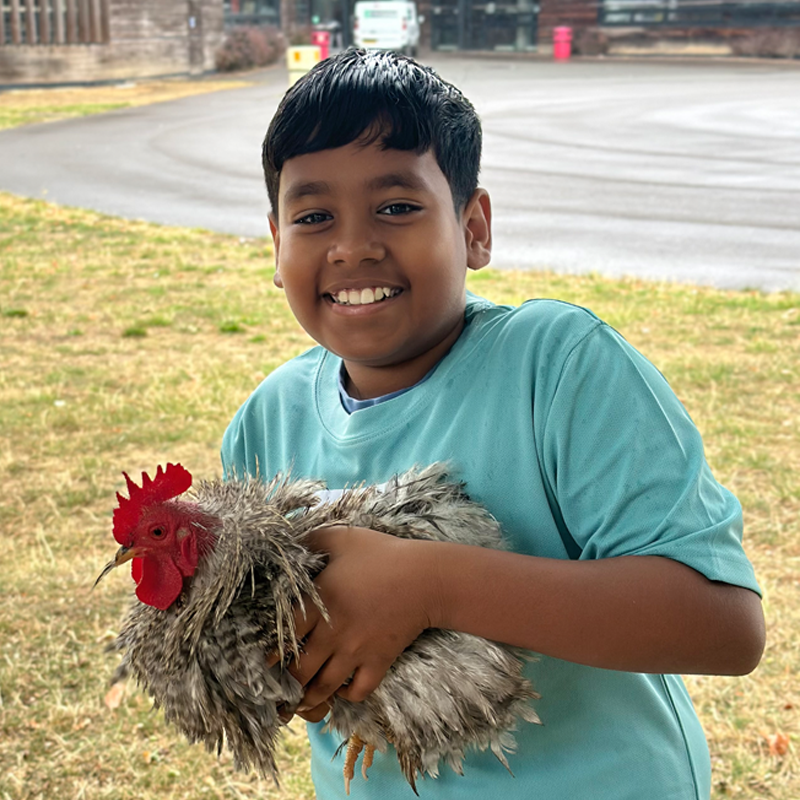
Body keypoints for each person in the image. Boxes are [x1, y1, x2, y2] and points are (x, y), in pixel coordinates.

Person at [221, 48, 765, 799]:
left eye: (397, 206)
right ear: (278, 246)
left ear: (474, 227)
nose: (352, 246)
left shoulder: (559, 369)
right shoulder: (264, 426)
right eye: (313, 216)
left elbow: (722, 626)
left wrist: (434, 585)